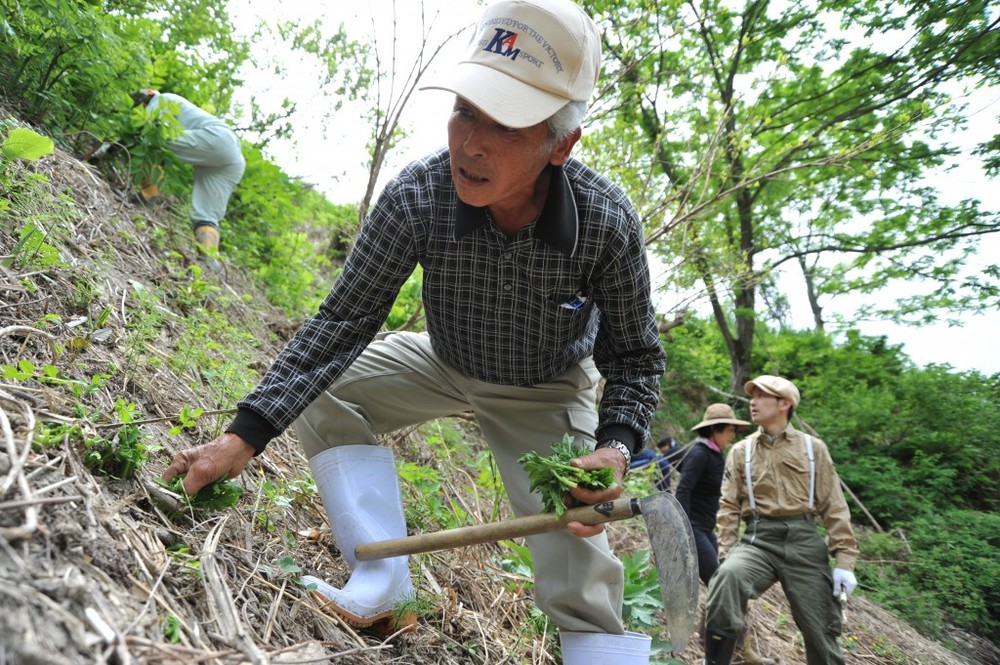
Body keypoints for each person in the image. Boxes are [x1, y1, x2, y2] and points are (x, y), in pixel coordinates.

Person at [162, 0, 665, 661]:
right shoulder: (419, 196)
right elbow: (344, 320)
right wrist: (243, 435)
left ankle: (599, 652)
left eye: (507, 126)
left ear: (561, 145)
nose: (472, 143)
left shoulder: (605, 223)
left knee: (573, 536)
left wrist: (615, 448)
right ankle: (381, 582)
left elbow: (633, 358)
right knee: (326, 386)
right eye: (464, 111)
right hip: (446, 357)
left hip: (545, 385)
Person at [703, 376, 859, 665]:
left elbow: (834, 506)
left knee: (820, 627)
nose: (752, 401)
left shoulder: (814, 449)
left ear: (784, 403)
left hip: (805, 542)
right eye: (752, 396)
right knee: (726, 579)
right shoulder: (741, 451)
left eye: (762, 396)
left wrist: (844, 562)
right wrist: (726, 553)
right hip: (758, 540)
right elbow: (727, 508)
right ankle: (714, 661)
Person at [130, 89, 246, 270]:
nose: (141, 109)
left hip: (215, 138)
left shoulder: (160, 100)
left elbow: (147, 133)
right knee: (206, 215)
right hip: (232, 156)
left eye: (141, 104)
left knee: (154, 139)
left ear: (149, 96)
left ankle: (147, 195)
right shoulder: (179, 104)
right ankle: (209, 261)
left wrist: (103, 152)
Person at [675, 404, 749, 586]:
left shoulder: (715, 454)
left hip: (707, 528)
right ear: (715, 429)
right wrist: (682, 525)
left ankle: (712, 614)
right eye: (730, 430)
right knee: (718, 582)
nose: (733, 435)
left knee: (724, 577)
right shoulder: (700, 453)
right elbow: (684, 489)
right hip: (693, 527)